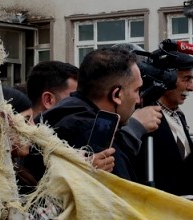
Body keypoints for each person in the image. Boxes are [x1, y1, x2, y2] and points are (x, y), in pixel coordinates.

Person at [41, 47, 158, 181]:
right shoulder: (95, 135)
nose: (138, 100)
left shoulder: (59, 114)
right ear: (116, 95)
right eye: (136, 90)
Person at [146, 43, 193, 195]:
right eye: (186, 79)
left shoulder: (179, 116)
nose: (191, 87)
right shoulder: (147, 117)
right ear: (165, 78)